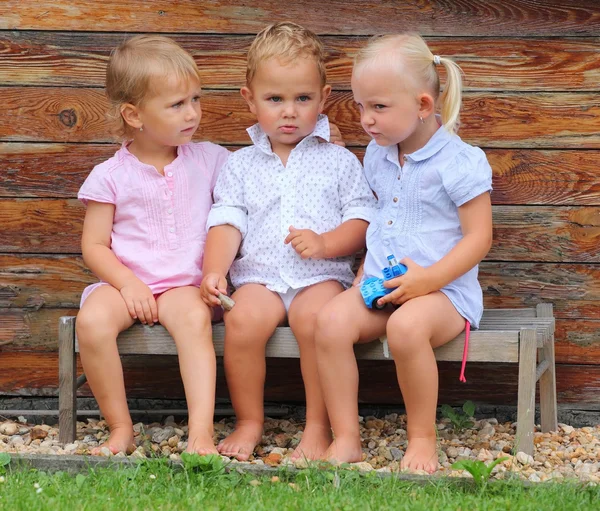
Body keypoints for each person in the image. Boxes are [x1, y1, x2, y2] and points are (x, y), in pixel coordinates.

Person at [314, 33, 493, 473]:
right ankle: (347, 438)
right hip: (384, 284)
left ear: (423, 105)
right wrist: (362, 275)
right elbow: (384, 220)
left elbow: (479, 238)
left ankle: (422, 439)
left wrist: (428, 280)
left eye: (378, 107)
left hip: (442, 295)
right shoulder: (377, 155)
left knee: (407, 329)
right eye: (360, 106)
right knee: (331, 322)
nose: (366, 120)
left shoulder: (460, 162)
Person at [200, 22, 377, 462]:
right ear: (250, 98)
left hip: (321, 276)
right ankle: (249, 420)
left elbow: (362, 219)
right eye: (274, 99)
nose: (289, 111)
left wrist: (327, 243)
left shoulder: (338, 161)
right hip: (259, 275)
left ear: (323, 97)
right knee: (242, 323)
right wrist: (215, 270)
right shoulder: (240, 165)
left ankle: (318, 426)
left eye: (302, 99)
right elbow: (226, 222)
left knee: (314, 320)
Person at [75, 35, 231, 456]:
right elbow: (94, 245)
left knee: (193, 322)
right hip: (127, 284)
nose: (193, 113)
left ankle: (201, 434)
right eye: (177, 104)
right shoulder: (110, 175)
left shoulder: (211, 160)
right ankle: (120, 427)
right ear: (134, 114)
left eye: (196, 99)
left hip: (184, 285)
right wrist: (128, 284)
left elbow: (257, 180)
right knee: (91, 323)